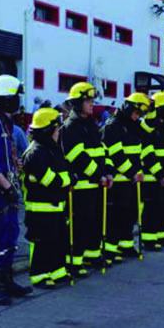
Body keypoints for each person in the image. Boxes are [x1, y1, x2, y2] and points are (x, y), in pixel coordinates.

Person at [0, 74, 33, 305]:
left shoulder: (6, 124)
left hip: (7, 189)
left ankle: (7, 280)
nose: (17, 101)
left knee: (10, 238)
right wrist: (7, 187)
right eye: (14, 97)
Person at [22, 108, 74, 288]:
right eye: (56, 129)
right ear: (47, 131)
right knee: (41, 244)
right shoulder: (35, 153)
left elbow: (63, 170)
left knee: (57, 241)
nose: (58, 132)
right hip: (39, 210)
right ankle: (39, 275)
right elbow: (50, 179)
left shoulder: (51, 150)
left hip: (55, 207)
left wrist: (67, 177)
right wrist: (69, 179)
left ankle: (56, 271)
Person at [60, 82, 109, 273]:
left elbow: (101, 150)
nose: (91, 104)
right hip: (81, 187)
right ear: (78, 103)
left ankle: (91, 255)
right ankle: (74, 261)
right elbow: (77, 157)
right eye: (88, 101)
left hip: (96, 184)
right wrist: (99, 175)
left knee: (95, 222)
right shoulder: (70, 127)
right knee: (79, 225)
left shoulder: (91, 125)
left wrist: (107, 173)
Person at [101, 93, 150, 259]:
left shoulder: (134, 125)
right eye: (137, 113)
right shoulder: (113, 125)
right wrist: (133, 173)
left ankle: (126, 245)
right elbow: (116, 155)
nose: (138, 117)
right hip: (119, 181)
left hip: (133, 180)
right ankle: (110, 250)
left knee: (131, 215)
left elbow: (139, 151)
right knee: (116, 217)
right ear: (129, 108)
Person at [139, 91, 164, 249]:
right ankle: (149, 239)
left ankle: (161, 235)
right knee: (152, 210)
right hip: (152, 178)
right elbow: (147, 154)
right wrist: (160, 175)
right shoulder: (150, 128)